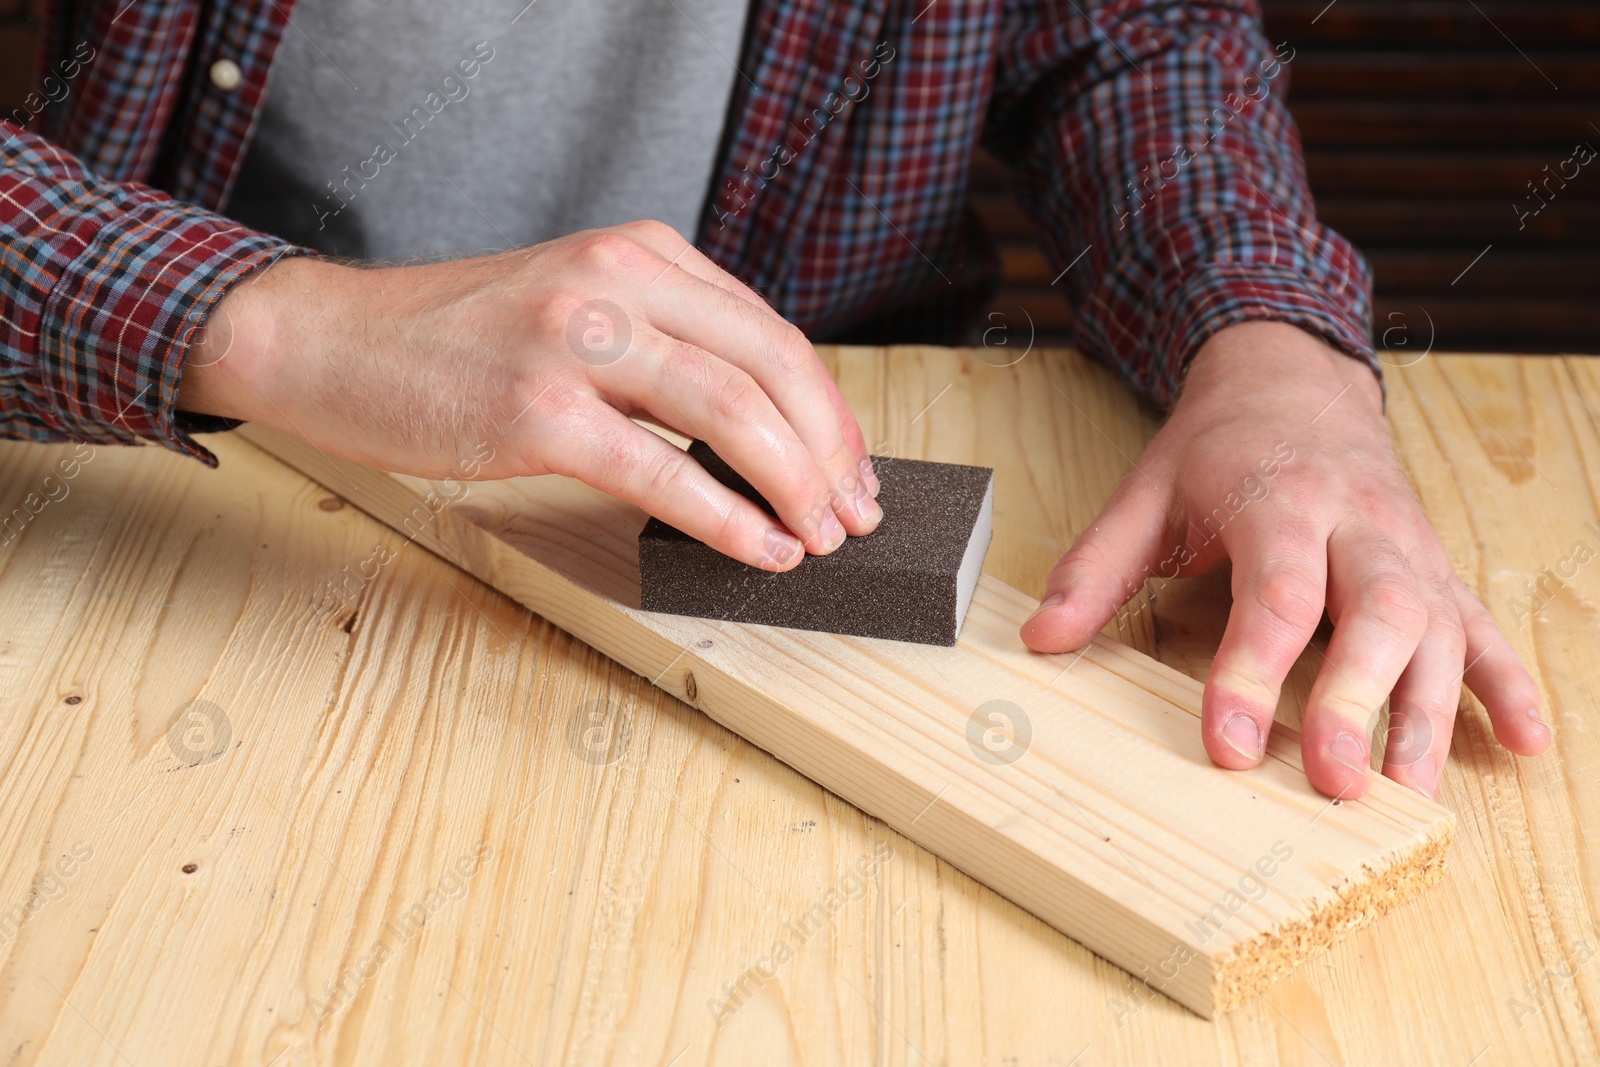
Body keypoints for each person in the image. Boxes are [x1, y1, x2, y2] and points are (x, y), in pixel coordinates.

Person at [1, 0, 1546, 801]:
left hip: (830, 485)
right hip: (193, 499)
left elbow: (1125, 36)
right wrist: (258, 319)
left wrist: (1276, 349)